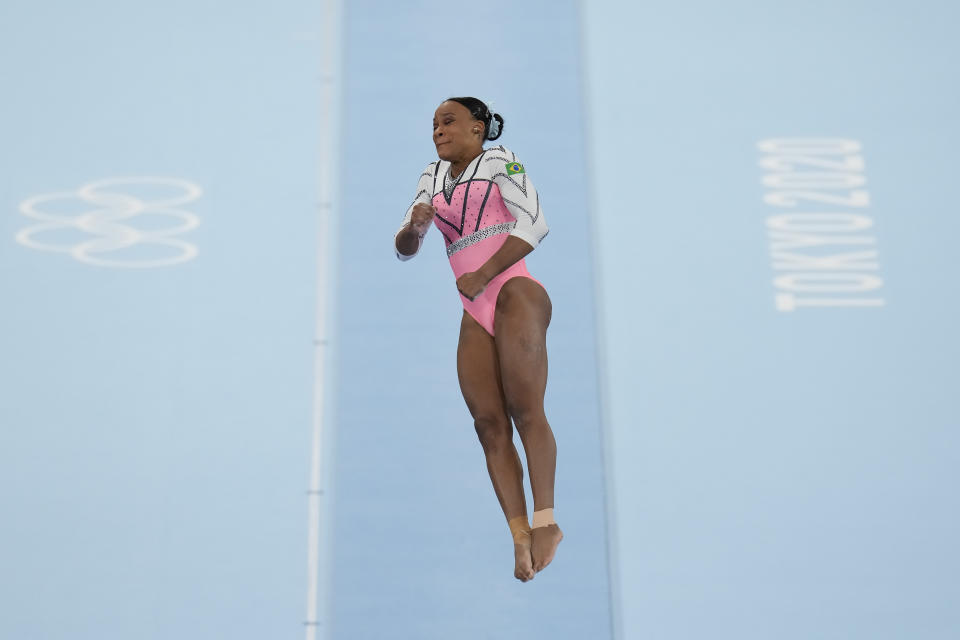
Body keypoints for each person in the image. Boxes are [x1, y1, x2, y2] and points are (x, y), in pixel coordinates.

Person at [394, 97, 562, 582]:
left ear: (478, 128)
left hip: (515, 292)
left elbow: (535, 224)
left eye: (448, 122)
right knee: (489, 425)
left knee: (526, 409)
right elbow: (404, 248)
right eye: (432, 125)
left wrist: (485, 272)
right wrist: (416, 229)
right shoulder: (431, 177)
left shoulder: (500, 160)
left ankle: (546, 520)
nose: (438, 131)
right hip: (474, 310)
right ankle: (519, 535)